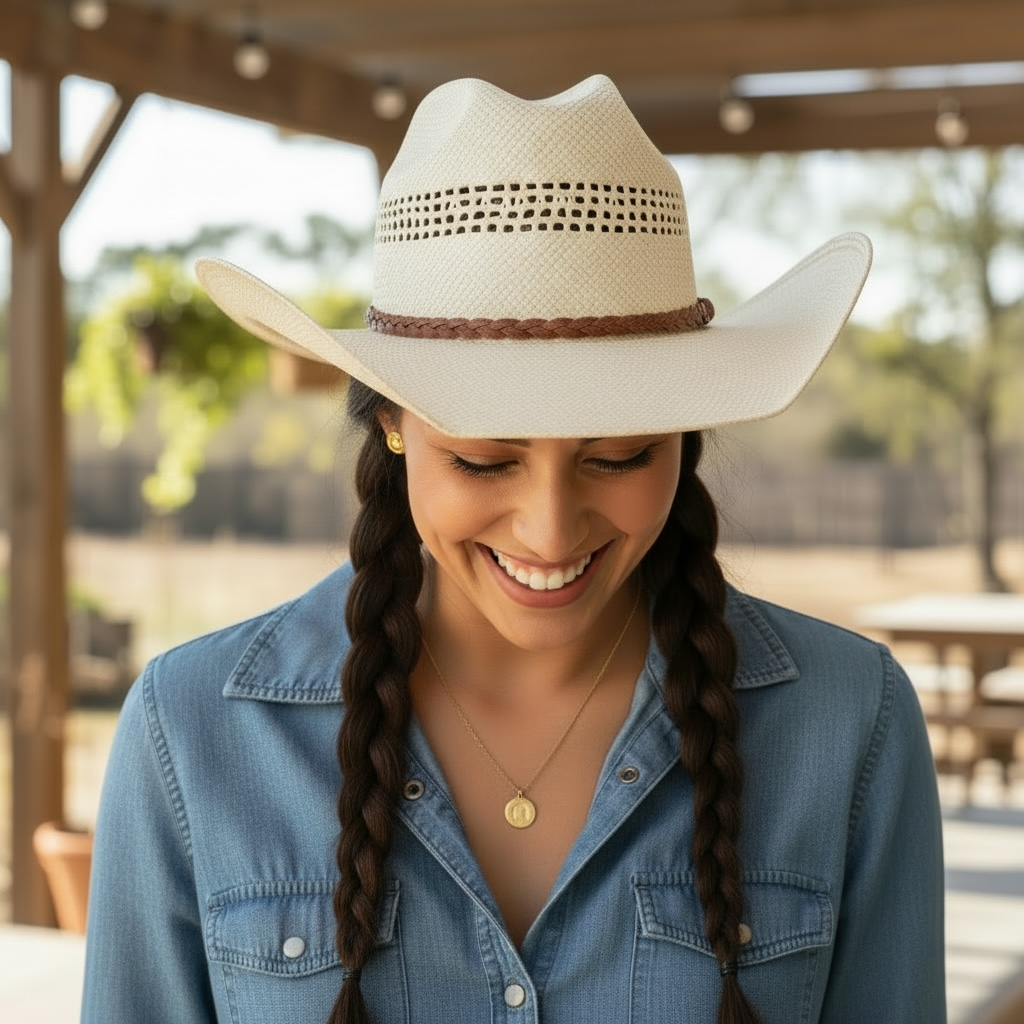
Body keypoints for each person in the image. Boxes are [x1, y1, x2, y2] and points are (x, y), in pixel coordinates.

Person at [82, 75, 945, 1024]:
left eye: (616, 456)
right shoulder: (193, 734)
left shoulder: (849, 724)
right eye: (486, 461)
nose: (549, 530)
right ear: (395, 430)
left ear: (686, 439)